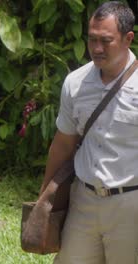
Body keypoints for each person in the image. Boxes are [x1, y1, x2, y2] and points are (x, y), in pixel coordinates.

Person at [38, 2, 138, 263]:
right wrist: (44, 200)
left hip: (131, 206)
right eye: (92, 39)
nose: (96, 49)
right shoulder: (76, 83)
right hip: (84, 201)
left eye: (105, 41)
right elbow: (63, 144)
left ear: (128, 39)